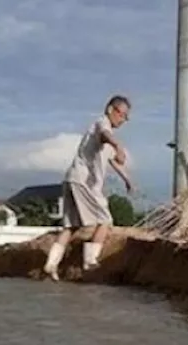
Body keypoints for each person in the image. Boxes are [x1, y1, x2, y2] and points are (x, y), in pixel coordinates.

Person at [43, 95, 134, 281]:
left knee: (70, 226)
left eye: (126, 117)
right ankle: (90, 261)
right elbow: (105, 135)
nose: (123, 120)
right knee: (105, 220)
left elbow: (114, 161)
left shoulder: (105, 138)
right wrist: (118, 145)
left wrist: (127, 179)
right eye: (122, 115)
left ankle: (51, 264)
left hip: (72, 179)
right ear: (111, 110)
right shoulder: (102, 124)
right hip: (83, 181)